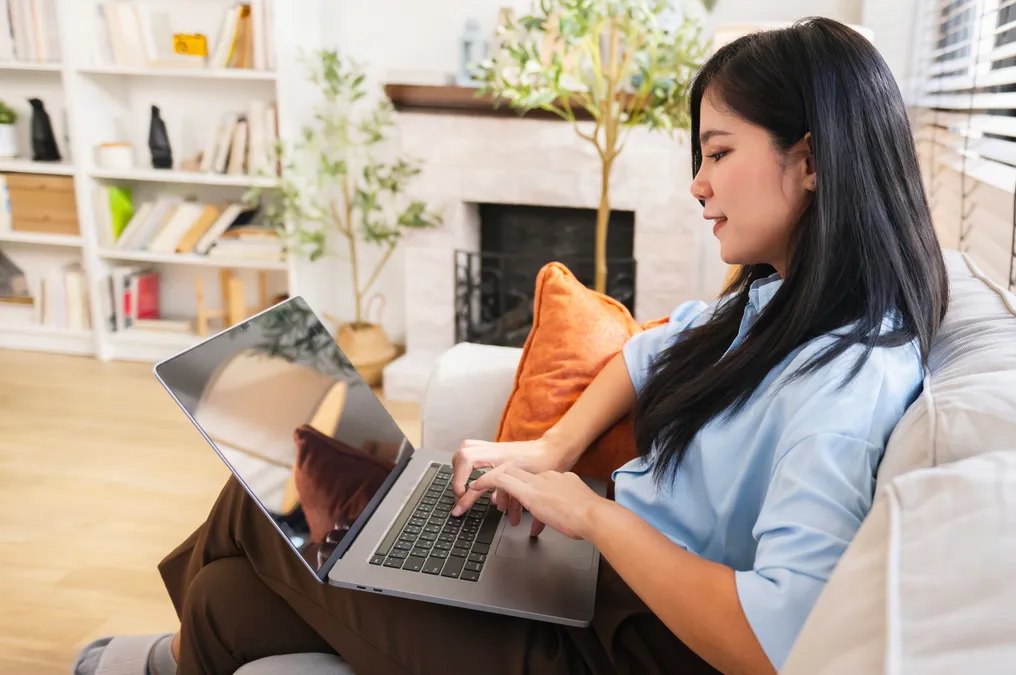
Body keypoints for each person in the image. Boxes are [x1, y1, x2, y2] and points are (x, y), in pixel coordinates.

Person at [74, 17, 947, 675]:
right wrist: (551, 446)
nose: (698, 183)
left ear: (813, 158)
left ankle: (169, 655)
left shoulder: (850, 376)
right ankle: (185, 648)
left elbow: (771, 637)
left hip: (619, 649)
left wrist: (588, 510)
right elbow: (643, 357)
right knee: (243, 575)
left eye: (718, 152)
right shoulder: (777, 296)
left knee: (269, 493)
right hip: (586, 584)